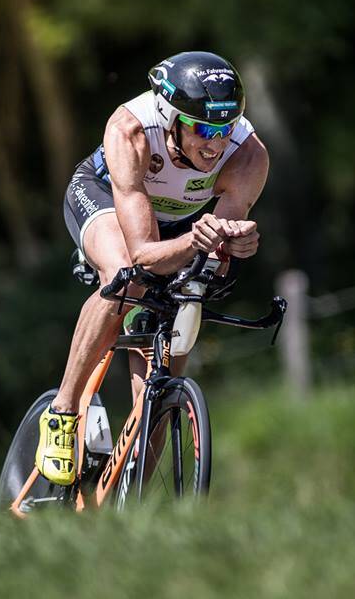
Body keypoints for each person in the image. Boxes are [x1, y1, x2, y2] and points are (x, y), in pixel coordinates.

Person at [35, 51, 269, 485]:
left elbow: (217, 249)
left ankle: (129, 504)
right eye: (202, 128)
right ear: (169, 116)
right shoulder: (132, 132)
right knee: (125, 280)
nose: (216, 142)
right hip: (105, 197)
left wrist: (234, 245)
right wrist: (195, 241)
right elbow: (143, 251)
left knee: (159, 389)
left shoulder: (249, 156)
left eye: (226, 127)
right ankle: (62, 413)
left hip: (179, 221)